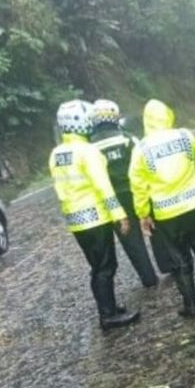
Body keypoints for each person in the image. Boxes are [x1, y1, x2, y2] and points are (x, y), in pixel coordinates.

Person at [129, 100, 195, 318]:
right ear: (168, 115)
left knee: (180, 261)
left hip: (167, 214)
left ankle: (191, 306)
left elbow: (137, 184)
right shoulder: (184, 135)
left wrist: (143, 214)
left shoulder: (142, 148)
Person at [49, 100, 140, 331]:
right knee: (106, 266)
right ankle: (108, 316)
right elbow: (103, 186)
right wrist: (120, 214)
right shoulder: (88, 152)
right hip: (96, 218)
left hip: (76, 220)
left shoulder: (57, 154)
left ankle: (107, 307)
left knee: (96, 266)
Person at [89, 99, 159, 289]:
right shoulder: (128, 139)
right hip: (136, 192)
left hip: (113, 201)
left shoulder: (90, 148)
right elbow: (144, 163)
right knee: (154, 228)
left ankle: (149, 278)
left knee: (132, 241)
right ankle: (168, 264)